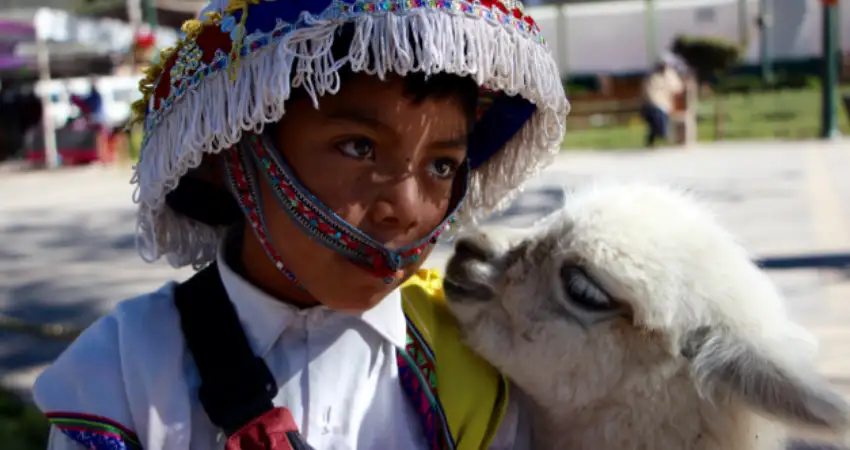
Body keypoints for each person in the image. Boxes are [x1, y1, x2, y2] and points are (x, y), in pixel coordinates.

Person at [32, 0, 568, 449]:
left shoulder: (473, 357)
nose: (406, 207)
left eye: (443, 165)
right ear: (229, 152)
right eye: (358, 148)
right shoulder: (122, 374)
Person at [640, 60, 683, 148]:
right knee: (657, 117)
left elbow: (677, 88)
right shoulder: (652, 77)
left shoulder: (670, 75)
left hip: (667, 104)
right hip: (653, 105)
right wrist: (657, 103)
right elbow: (649, 93)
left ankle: (657, 137)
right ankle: (662, 135)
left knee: (659, 120)